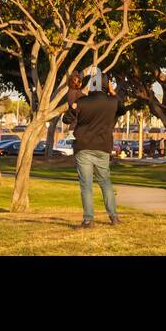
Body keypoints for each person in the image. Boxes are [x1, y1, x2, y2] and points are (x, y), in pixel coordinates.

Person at [63, 73, 127, 228]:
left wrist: (72, 108)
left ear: (91, 85)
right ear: (106, 85)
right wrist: (112, 92)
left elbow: (66, 119)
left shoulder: (82, 102)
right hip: (103, 147)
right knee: (105, 183)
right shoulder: (112, 102)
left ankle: (88, 220)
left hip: (83, 147)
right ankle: (114, 218)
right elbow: (122, 109)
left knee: (86, 185)